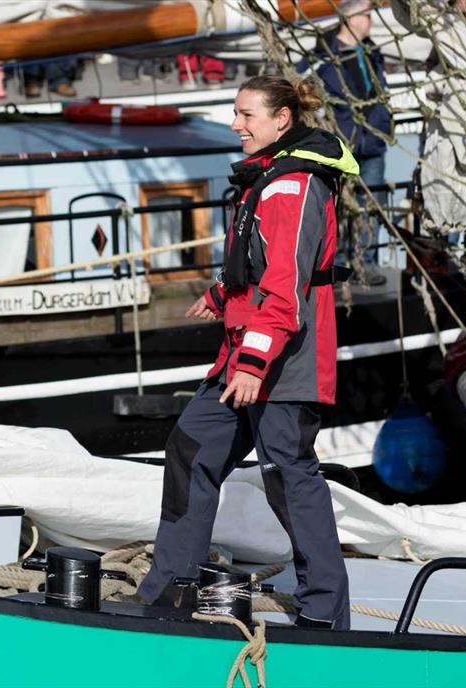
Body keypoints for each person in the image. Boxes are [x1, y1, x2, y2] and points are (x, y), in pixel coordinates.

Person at [136, 75, 358, 630]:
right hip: (247, 354)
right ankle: (172, 591)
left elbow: (285, 288)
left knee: (288, 471)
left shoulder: (295, 185)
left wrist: (256, 363)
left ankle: (325, 611)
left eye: (246, 115)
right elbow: (258, 266)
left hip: (283, 357)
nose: (235, 125)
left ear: (281, 120)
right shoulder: (269, 179)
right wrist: (220, 295)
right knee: (191, 448)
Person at [298, 0, 391, 286]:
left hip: (372, 143)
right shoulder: (323, 56)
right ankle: (335, 266)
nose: (371, 21)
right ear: (348, 19)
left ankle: (366, 265)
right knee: (336, 207)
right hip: (341, 146)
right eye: (366, 15)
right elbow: (300, 86)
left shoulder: (371, 51)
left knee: (370, 204)